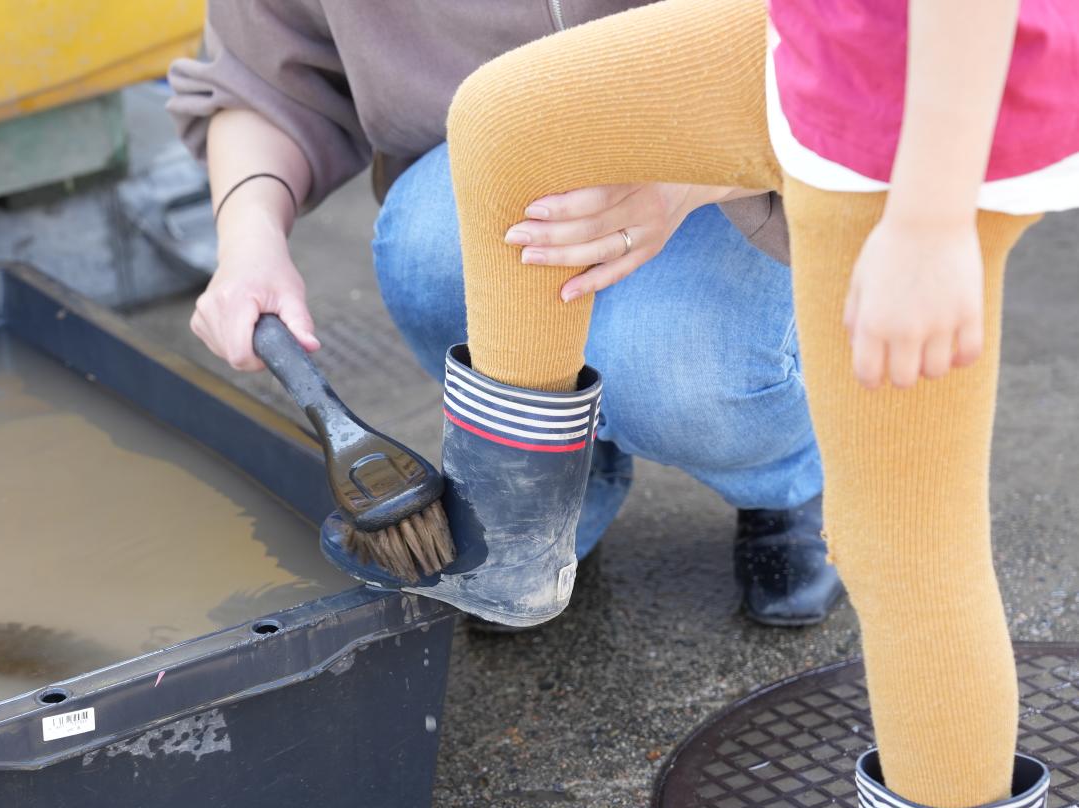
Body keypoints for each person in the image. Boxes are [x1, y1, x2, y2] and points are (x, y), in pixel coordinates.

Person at [359, 0, 1071, 808]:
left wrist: (926, 219)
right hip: (829, 42)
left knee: (902, 546)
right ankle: (513, 538)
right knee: (510, 117)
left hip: (905, 125)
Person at [165, 1, 843, 627]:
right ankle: (555, 488)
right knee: (426, 249)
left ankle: (791, 481)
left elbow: (868, 44)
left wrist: (695, 173)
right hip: (496, 165)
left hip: (755, 152)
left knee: (676, 361)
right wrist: (249, 235)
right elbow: (263, 69)